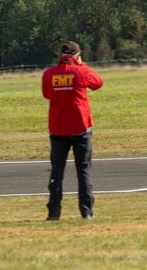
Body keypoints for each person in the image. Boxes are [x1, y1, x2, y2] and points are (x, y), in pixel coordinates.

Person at [42, 41, 103, 220]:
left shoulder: (48, 74)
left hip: (57, 128)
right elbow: (98, 83)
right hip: (80, 127)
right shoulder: (81, 71)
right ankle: (86, 211)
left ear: (61, 56)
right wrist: (81, 64)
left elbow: (47, 94)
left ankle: (53, 213)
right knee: (83, 170)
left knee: (57, 170)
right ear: (76, 55)